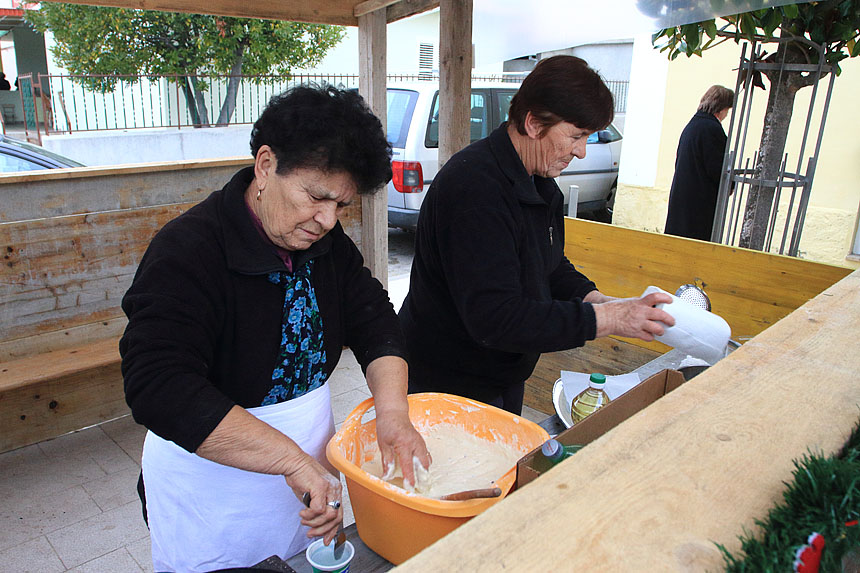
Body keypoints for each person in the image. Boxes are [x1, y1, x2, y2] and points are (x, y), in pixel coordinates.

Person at [120, 85, 430, 572]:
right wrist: (289, 459)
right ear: (266, 165)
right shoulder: (189, 249)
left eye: (341, 206)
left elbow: (374, 320)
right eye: (316, 196)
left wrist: (393, 413)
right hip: (213, 481)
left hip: (307, 464)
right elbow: (159, 385)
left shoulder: (324, 245)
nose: (327, 220)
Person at [398, 55, 675, 414]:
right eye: (576, 136)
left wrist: (595, 300)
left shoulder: (538, 181)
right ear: (532, 123)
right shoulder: (475, 190)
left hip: (501, 372)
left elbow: (549, 263)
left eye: (587, 137)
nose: (581, 151)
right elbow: (496, 319)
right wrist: (611, 320)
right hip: (444, 381)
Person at [664, 85, 734, 241]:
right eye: (727, 110)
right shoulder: (711, 129)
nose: (726, 115)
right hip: (700, 202)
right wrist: (730, 185)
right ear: (721, 109)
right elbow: (717, 168)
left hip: (683, 197)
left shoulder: (693, 125)